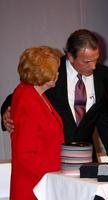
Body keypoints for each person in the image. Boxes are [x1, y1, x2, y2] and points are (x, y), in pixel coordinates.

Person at [1, 29, 108, 164]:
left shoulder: (105, 76)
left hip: (86, 158)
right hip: (52, 156)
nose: (93, 66)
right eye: (87, 61)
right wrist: (7, 111)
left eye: (96, 60)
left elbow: (103, 114)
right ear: (70, 56)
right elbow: (21, 94)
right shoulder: (52, 70)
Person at [10, 46, 64, 200]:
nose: (58, 74)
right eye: (54, 71)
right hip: (33, 186)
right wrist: (56, 172)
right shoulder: (27, 99)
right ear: (43, 74)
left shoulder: (36, 94)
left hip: (43, 182)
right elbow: (24, 154)